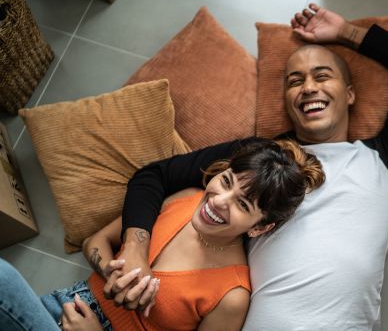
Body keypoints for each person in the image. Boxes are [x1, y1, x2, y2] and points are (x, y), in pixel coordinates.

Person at [109, 3, 388, 330]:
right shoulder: (260, 159)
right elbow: (153, 176)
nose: (308, 87)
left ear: (350, 94)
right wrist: (135, 250)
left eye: (322, 76)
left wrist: (345, 32)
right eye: (294, 81)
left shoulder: (385, 158)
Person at [0, 138, 324, 331]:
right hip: (59, 306)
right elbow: (94, 242)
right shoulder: (182, 198)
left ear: (260, 226)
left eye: (242, 204)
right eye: (226, 182)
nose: (218, 202)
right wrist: (117, 273)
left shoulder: (231, 295)